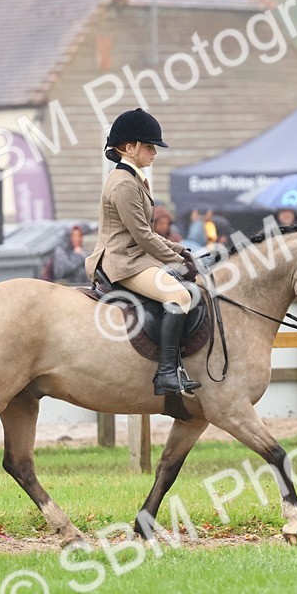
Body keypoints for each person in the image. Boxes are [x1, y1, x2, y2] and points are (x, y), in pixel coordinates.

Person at [86, 108, 200, 398]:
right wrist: (178, 259)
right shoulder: (124, 183)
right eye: (149, 146)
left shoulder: (135, 178)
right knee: (180, 295)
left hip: (136, 258)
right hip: (123, 263)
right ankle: (165, 374)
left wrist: (182, 251)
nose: (154, 152)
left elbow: (149, 236)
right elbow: (143, 235)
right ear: (129, 148)